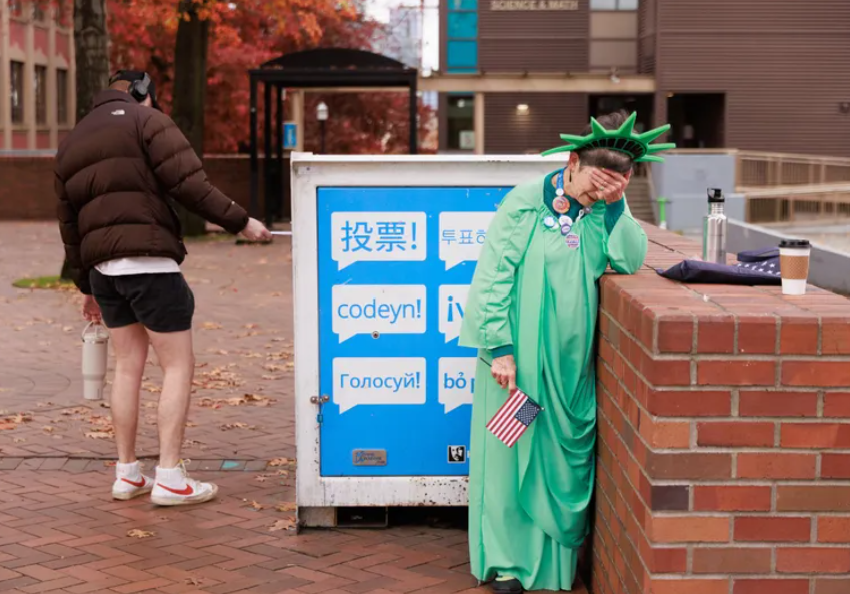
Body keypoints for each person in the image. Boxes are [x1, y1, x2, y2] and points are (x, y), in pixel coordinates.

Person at [458, 111, 675, 593]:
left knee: (561, 455)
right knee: (513, 453)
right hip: (518, 367)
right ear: (572, 162)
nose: (595, 197)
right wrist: (501, 348)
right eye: (593, 186)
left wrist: (615, 207)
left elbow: (629, 257)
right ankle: (510, 565)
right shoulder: (525, 205)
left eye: (610, 190)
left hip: (570, 368)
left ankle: (553, 566)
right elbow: (494, 278)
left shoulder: (601, 212)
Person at [55, 70, 272, 506]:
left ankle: (127, 473)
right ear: (143, 93)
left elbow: (69, 222)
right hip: (150, 261)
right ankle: (171, 476)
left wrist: (86, 285)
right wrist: (242, 222)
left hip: (104, 270)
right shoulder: (148, 121)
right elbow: (189, 183)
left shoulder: (72, 140)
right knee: (177, 366)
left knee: (128, 367)